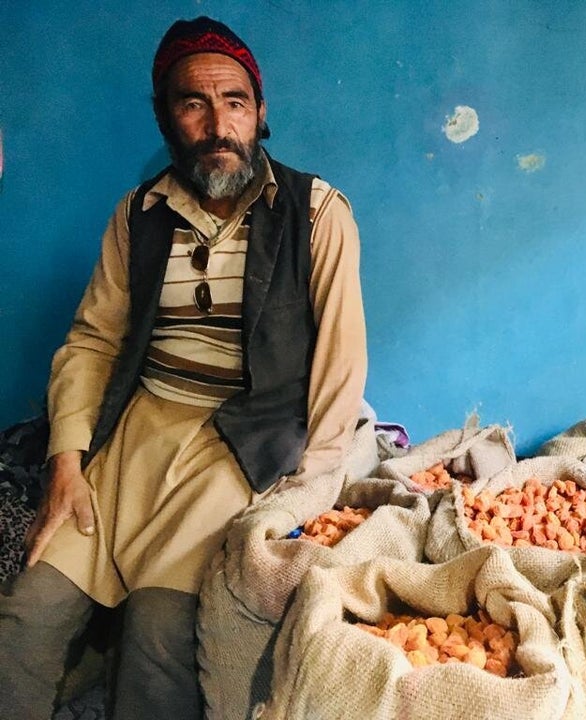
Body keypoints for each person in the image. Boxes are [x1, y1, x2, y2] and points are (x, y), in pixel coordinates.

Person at [0, 16, 367, 720]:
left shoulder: (318, 214)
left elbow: (340, 367)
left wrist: (307, 491)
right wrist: (67, 462)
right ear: (166, 118)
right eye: (192, 103)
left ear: (261, 113)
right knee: (27, 612)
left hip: (240, 446)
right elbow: (92, 344)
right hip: (132, 439)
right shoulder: (139, 215)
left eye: (234, 101)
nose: (217, 124)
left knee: (159, 633)